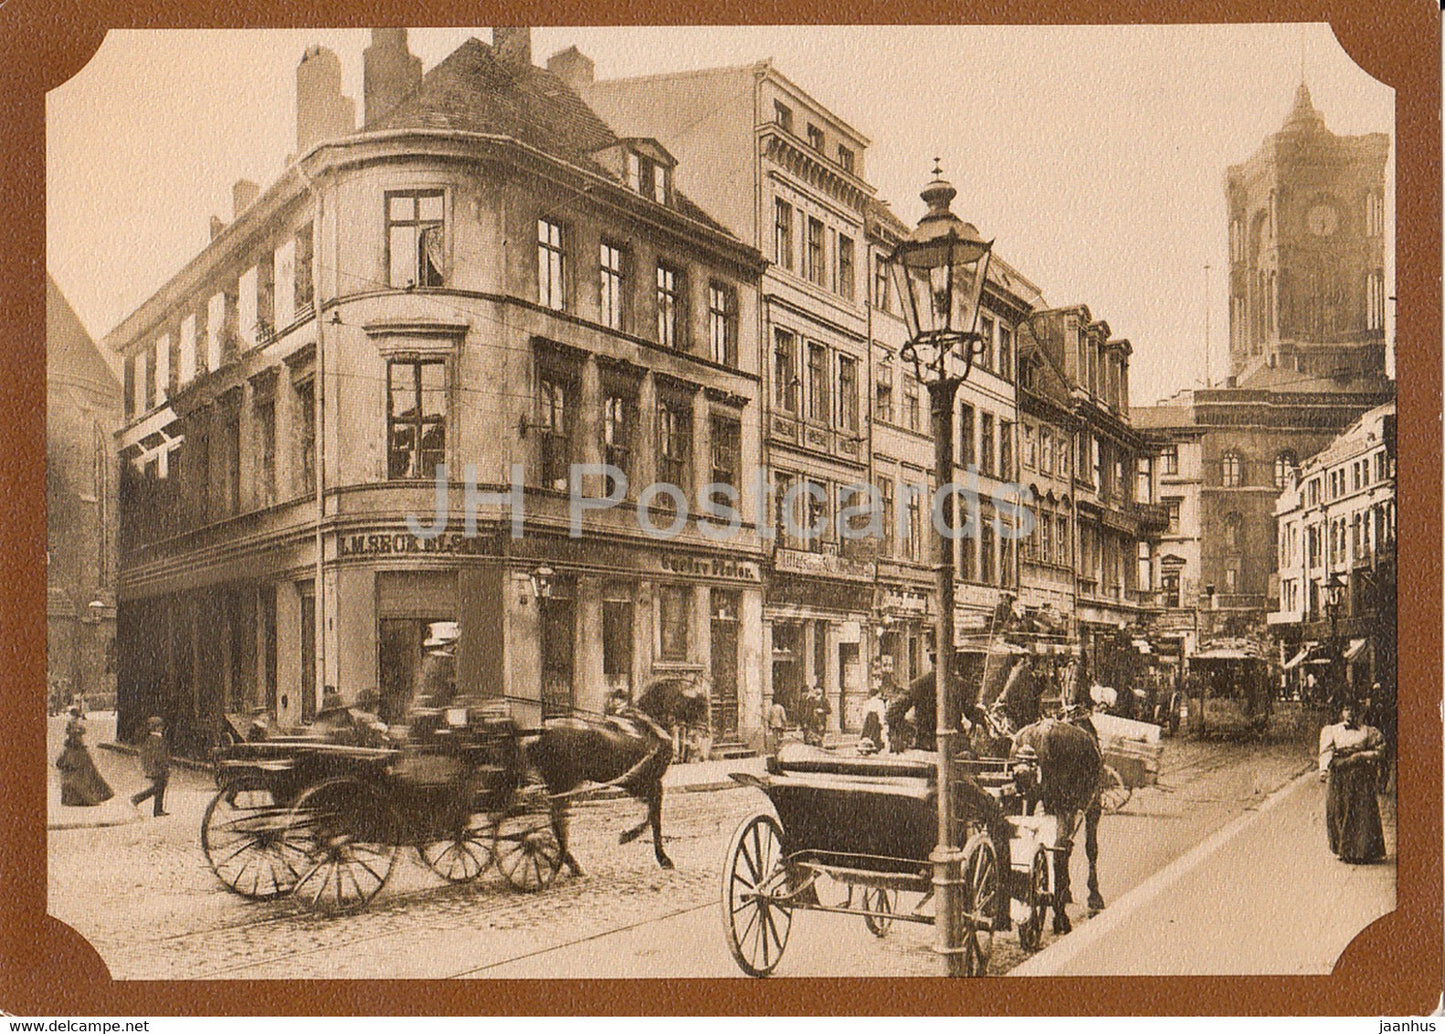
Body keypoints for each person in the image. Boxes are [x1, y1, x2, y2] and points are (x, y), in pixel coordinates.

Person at [1318, 703, 1386, 863]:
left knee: (1360, 812)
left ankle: (1362, 851)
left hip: (1360, 777)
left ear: (1360, 713)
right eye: (1347, 709)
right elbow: (1326, 751)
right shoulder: (1332, 730)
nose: (1350, 714)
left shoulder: (1368, 731)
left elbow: (1381, 750)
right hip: (1340, 775)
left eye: (1354, 710)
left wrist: (1363, 755)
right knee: (1339, 810)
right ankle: (1343, 849)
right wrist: (1323, 770)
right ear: (1342, 712)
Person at [55, 706, 114, 807]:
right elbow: (72, 733)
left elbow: (80, 731)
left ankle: (86, 795)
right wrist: (77, 732)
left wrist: (78, 731)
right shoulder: (71, 725)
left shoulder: (75, 725)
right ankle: (77, 796)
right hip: (74, 749)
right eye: (73, 716)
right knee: (78, 772)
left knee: (87, 772)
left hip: (78, 749)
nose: (74, 718)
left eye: (75, 717)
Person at [130, 716, 171, 817]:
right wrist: (165, 766)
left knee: (160, 787)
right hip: (157, 768)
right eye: (160, 726)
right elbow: (159, 756)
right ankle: (137, 799)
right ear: (156, 728)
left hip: (152, 767)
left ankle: (158, 809)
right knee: (158, 787)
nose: (162, 728)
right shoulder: (157, 739)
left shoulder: (149, 739)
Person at [858, 678, 890, 755]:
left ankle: (865, 746)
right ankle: (875, 746)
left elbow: (864, 712)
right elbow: (881, 712)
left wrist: (864, 720)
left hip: (868, 719)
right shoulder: (879, 702)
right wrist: (882, 722)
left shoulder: (867, 702)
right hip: (875, 718)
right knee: (875, 733)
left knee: (868, 732)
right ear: (876, 694)